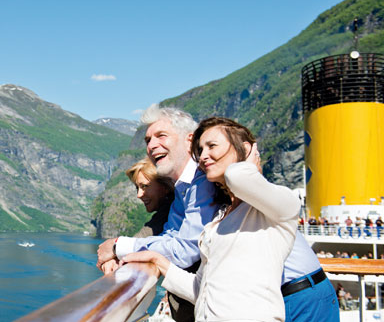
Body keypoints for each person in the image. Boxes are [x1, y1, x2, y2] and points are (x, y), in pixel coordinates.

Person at [123, 117, 299, 321]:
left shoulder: (281, 207)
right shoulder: (218, 222)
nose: (203, 156)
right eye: (200, 149)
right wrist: (157, 260)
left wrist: (248, 158)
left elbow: (238, 177)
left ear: (245, 148)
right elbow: (201, 288)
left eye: (212, 146)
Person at [96, 105, 218, 322]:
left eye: (161, 136)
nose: (152, 145)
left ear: (190, 139)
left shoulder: (203, 181)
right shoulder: (183, 188)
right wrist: (122, 252)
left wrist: (117, 246)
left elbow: (185, 249)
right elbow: (169, 237)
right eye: (147, 140)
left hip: (285, 295)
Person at [125, 159, 175, 237]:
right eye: (137, 188)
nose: (139, 195)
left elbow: (142, 238)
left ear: (165, 186)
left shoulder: (172, 212)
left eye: (145, 186)